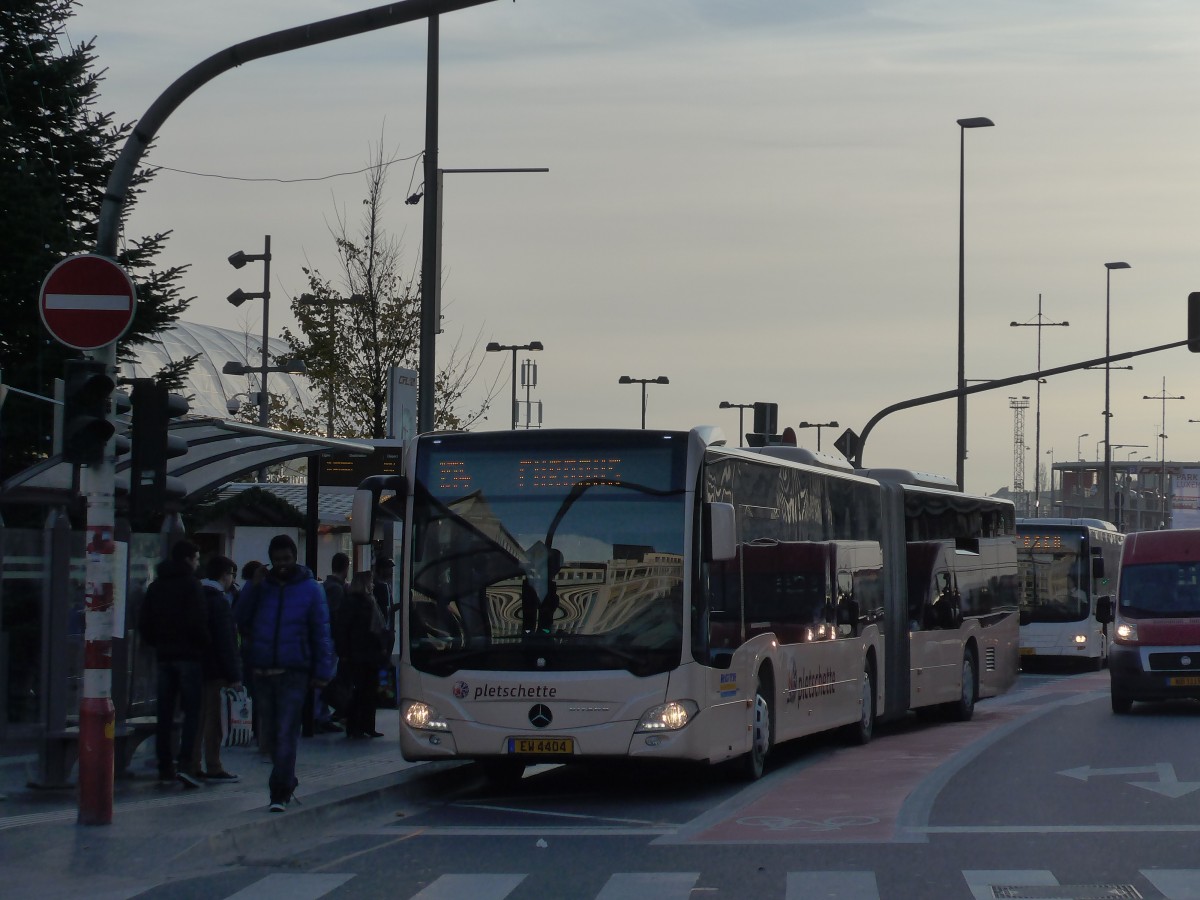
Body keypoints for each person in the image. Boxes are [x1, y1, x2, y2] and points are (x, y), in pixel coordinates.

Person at [235, 535, 335, 812]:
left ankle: (279, 791)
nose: (281, 565)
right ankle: (286, 779)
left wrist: (322, 671)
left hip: (294, 670)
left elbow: (321, 632)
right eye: (277, 560)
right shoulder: (260, 588)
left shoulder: (310, 590)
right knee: (267, 735)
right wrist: (251, 588)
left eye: (286, 559)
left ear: (295, 558)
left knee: (285, 731)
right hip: (263, 669)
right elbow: (240, 617)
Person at [137, 538, 210, 788]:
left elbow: (144, 623)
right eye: (197, 558)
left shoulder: (156, 586)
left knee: (164, 714)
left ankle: (164, 765)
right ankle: (186, 763)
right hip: (189, 656)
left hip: (164, 656)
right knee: (192, 712)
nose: (198, 563)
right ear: (189, 558)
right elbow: (199, 622)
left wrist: (158, 643)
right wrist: (203, 646)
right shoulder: (191, 585)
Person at [191, 555, 243, 783]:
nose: (232, 579)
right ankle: (213, 764)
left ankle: (192, 763)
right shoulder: (219, 601)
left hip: (195, 666)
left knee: (196, 719)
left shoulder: (195, 596)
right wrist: (234, 675)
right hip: (215, 670)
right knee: (214, 721)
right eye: (232, 575)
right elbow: (226, 641)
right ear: (225, 575)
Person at [333, 571, 388, 738]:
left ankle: (363, 726)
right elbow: (344, 629)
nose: (372, 584)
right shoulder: (360, 602)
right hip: (360, 653)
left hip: (363, 653)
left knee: (366, 691)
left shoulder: (364, 601)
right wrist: (343, 652)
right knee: (362, 691)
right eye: (370, 581)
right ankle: (359, 726)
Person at [311, 552, 351, 734]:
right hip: (331, 640)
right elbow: (336, 616)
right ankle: (320, 715)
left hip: (324, 639)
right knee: (327, 678)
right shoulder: (337, 589)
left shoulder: (325, 586)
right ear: (346, 567)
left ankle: (320, 714)